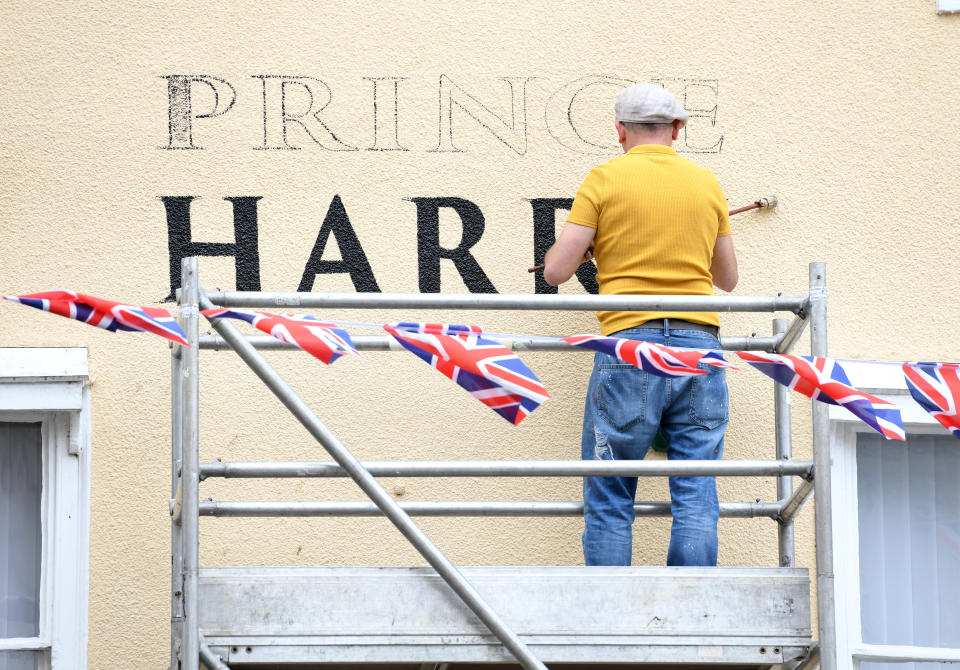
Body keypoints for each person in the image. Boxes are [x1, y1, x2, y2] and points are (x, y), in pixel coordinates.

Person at [543, 83, 738, 567]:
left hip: (630, 348)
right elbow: (727, 279)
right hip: (700, 346)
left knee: (610, 496)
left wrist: (595, 247)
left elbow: (555, 271)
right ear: (676, 129)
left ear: (619, 131)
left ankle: (614, 628)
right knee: (696, 495)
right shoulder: (706, 182)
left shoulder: (605, 179)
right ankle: (691, 617)